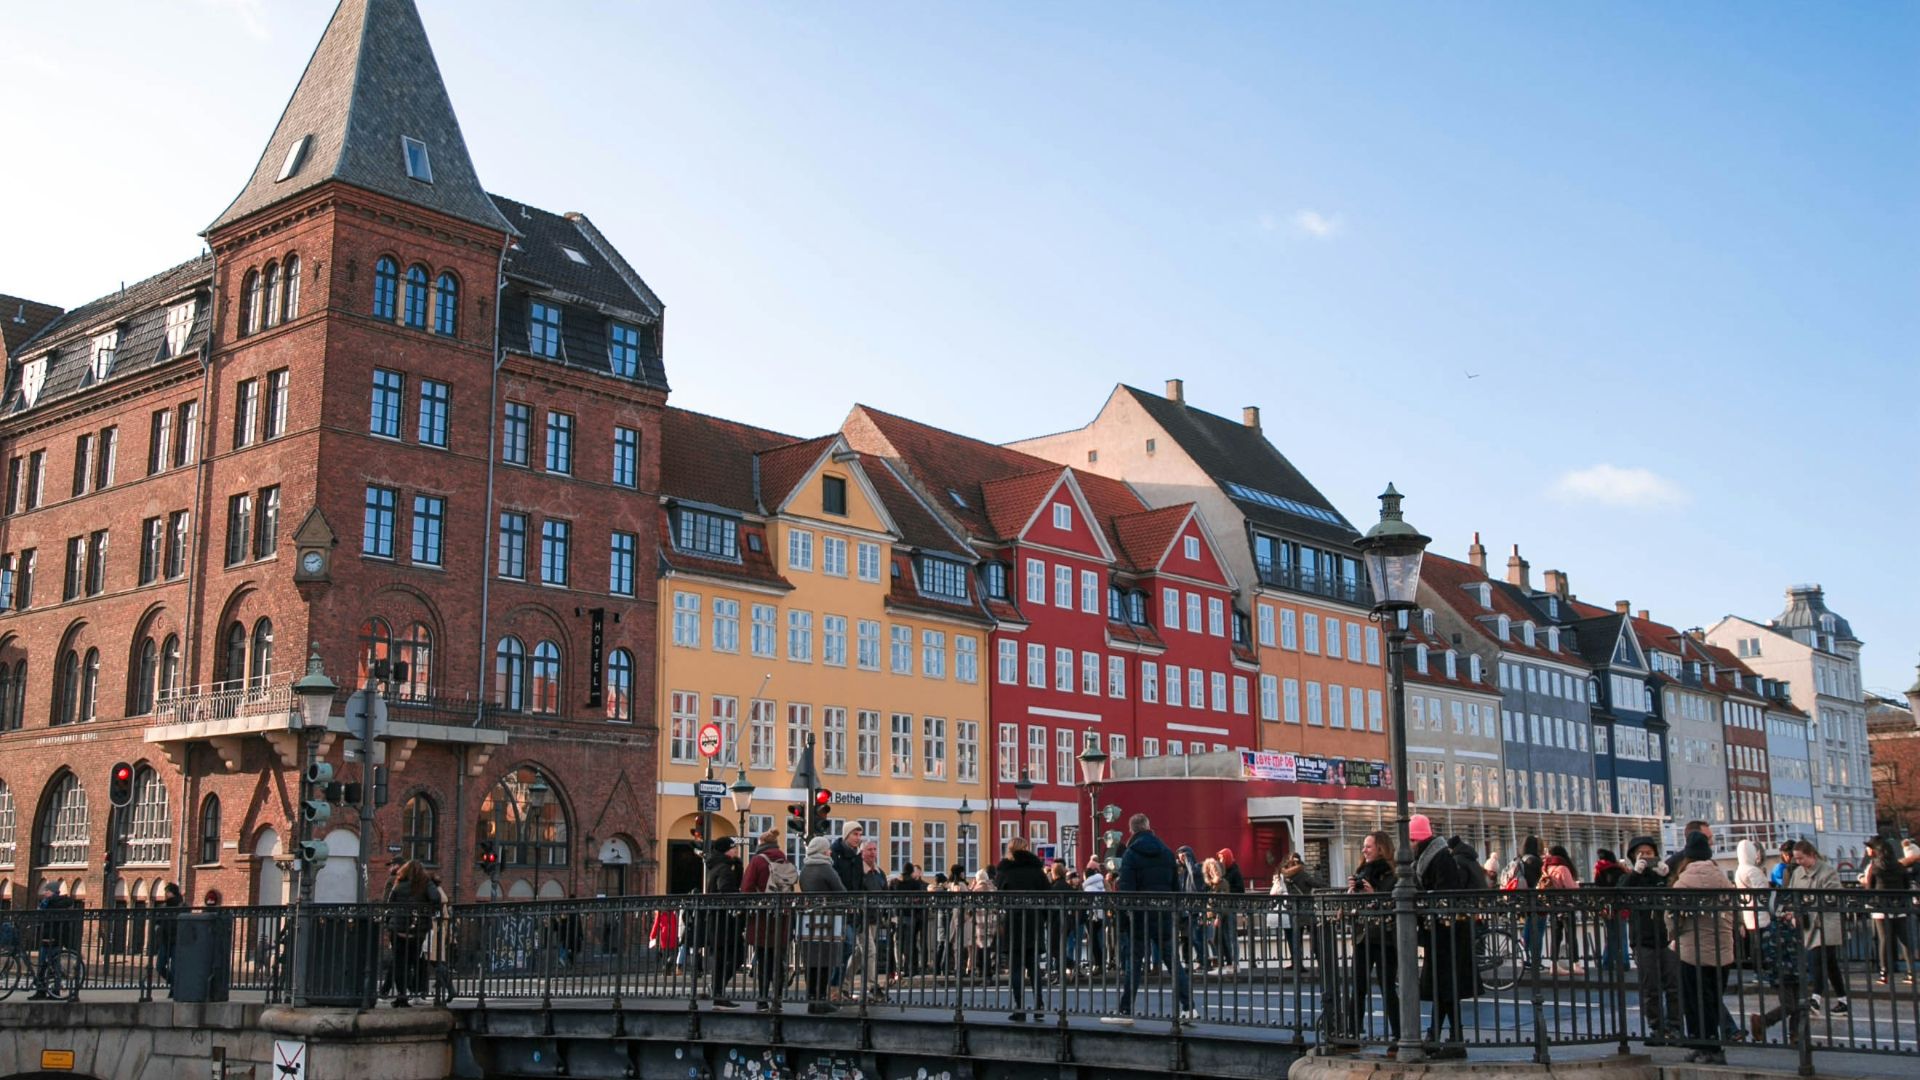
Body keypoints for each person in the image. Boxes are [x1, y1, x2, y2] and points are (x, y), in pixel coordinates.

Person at [1102, 814, 1194, 1026]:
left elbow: (1126, 890)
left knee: (1134, 963)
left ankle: (1126, 1010)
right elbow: (1175, 887)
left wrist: (1125, 917)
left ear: (1132, 831)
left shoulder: (1131, 855)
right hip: (1163, 913)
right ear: (1149, 827)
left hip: (1140, 916)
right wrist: (1176, 913)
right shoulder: (1166, 852)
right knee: (1172, 962)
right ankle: (1189, 1007)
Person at [1668, 831, 1736, 1064]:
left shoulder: (1683, 881)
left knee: (1694, 1000)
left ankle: (1703, 1045)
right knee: (1713, 998)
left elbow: (1674, 918)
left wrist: (1673, 933)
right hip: (1723, 949)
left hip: (1693, 950)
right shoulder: (1722, 877)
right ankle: (1714, 1048)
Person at [1413, 815, 1475, 1057]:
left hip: (1446, 931)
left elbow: (1445, 892)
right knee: (1444, 987)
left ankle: (1444, 1038)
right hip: (1440, 931)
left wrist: (1423, 897)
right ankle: (1445, 1037)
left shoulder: (1438, 858)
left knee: (1444, 985)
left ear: (1416, 839)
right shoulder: (1434, 856)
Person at [1622, 835, 1683, 1038]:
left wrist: (1667, 876)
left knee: (1673, 984)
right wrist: (1635, 873)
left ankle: (1674, 1026)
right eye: (1642, 854)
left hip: (1666, 936)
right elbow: (1621, 893)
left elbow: (1676, 894)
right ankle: (1657, 1027)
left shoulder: (1661, 876)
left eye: (1650, 853)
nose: (1647, 857)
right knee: (1651, 987)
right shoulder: (1631, 877)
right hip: (1642, 938)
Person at [1349, 830, 1401, 1045]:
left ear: (1380, 848)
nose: (1364, 850)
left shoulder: (1394, 873)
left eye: (1368, 846)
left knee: (1387, 986)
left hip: (1385, 937)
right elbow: (1356, 905)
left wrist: (1374, 895)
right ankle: (1352, 1031)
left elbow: (1393, 903)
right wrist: (1351, 894)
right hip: (1363, 935)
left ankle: (1399, 1033)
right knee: (1358, 984)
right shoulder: (1362, 871)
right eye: (1364, 846)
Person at [1788, 839, 1848, 1016]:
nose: (1798, 862)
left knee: (1817, 959)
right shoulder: (1798, 873)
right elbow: (1792, 893)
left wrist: (1808, 902)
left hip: (1826, 923)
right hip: (1808, 923)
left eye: (1801, 858)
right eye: (1796, 859)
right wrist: (1792, 910)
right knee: (1830, 964)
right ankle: (1843, 1000)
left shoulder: (1827, 871)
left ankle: (1815, 999)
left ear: (1812, 855)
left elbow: (1833, 896)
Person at [740, 827, 796, 1010]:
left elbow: (746, 888)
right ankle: (777, 999)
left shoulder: (757, 861)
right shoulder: (785, 860)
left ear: (761, 844)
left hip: (763, 918)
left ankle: (763, 998)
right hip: (783, 917)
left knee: (763, 958)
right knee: (779, 958)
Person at [996, 836, 1050, 1022]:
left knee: (1016, 967)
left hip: (1014, 922)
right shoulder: (1036, 869)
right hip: (1033, 921)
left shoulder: (1005, 871)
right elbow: (1047, 893)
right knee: (1033, 966)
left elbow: (999, 895)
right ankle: (1039, 1005)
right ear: (1027, 849)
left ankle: (1019, 1007)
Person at [795, 834, 846, 1014]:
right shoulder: (826, 868)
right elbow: (841, 891)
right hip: (827, 919)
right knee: (826, 960)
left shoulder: (806, 868)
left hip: (809, 919)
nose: (830, 851)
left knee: (811, 961)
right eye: (827, 848)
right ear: (823, 850)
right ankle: (821, 1000)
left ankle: (812, 999)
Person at [1862, 836, 1915, 985]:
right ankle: (1911, 972)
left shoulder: (1875, 867)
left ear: (1875, 850)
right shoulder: (1899, 866)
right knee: (1904, 939)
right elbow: (1906, 885)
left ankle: (1884, 973)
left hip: (1881, 906)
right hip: (1899, 905)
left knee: (1884, 939)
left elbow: (1869, 888)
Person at [842, 840, 889, 1001]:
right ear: (862, 852)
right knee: (870, 950)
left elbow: (885, 893)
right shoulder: (858, 871)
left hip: (874, 917)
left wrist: (887, 914)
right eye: (869, 849)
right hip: (861, 917)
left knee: (859, 953)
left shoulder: (879, 872)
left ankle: (844, 984)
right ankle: (873, 987)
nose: (872, 852)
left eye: (875, 849)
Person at [383, 860, 435, 1007]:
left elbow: (389, 904)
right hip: (417, 930)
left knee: (399, 964)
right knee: (413, 962)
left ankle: (402, 995)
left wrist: (389, 923)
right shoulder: (425, 884)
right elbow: (435, 898)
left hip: (398, 930)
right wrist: (427, 910)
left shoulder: (398, 884)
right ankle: (414, 992)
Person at [702, 836, 745, 1009]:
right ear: (727, 850)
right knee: (735, 955)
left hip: (717, 919)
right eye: (733, 848)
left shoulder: (715, 866)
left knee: (722, 958)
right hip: (725, 920)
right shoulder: (725, 869)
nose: (736, 851)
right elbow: (727, 890)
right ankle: (718, 994)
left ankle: (718, 994)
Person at [31, 880, 82, 1001]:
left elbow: (51, 918)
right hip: (47, 937)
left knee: (51, 965)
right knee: (44, 965)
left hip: (53, 938)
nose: (44, 893)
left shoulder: (55, 902)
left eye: (47, 891)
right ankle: (43, 991)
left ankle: (53, 991)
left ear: (53, 892)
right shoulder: (49, 902)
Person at [1539, 844, 1583, 974]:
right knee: (1571, 936)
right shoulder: (1562, 868)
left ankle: (1554, 965)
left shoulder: (1546, 868)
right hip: (1566, 905)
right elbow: (1570, 887)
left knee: (1556, 936)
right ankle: (1576, 964)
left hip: (1553, 906)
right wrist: (1577, 885)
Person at [1590, 849, 1627, 976]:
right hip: (1620, 905)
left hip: (1605, 905)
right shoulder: (1619, 870)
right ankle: (1624, 962)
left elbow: (1597, 886)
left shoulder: (1599, 869)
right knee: (1621, 935)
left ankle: (1607, 962)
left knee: (1610, 934)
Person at [1175, 845, 1208, 971]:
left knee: (1195, 937)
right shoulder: (1181, 871)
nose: (1182, 858)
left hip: (1194, 909)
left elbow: (1194, 875)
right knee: (1185, 939)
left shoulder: (1197, 867)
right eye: (1180, 856)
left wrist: (1188, 859)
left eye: (1184, 855)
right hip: (1183, 910)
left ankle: (1203, 962)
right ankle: (1187, 963)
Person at [1216, 847, 1246, 972]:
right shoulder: (1223, 871)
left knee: (1231, 934)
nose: (1221, 860)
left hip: (1230, 906)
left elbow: (1240, 889)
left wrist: (1226, 891)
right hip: (1223, 906)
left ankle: (1235, 962)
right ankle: (1229, 961)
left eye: (1222, 857)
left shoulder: (1234, 871)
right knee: (1223, 934)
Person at [150, 882, 184, 989]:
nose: (166, 895)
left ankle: (174, 989)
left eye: (167, 892)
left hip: (177, 941)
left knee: (174, 968)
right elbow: (157, 922)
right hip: (165, 941)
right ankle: (174, 984)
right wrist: (158, 929)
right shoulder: (163, 907)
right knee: (159, 967)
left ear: (172, 893)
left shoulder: (181, 906)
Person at [1081, 859, 1108, 975]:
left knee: (1093, 941)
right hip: (1101, 916)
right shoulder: (1100, 885)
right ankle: (1102, 963)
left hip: (1092, 917)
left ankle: (1098, 964)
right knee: (1100, 941)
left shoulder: (1088, 888)